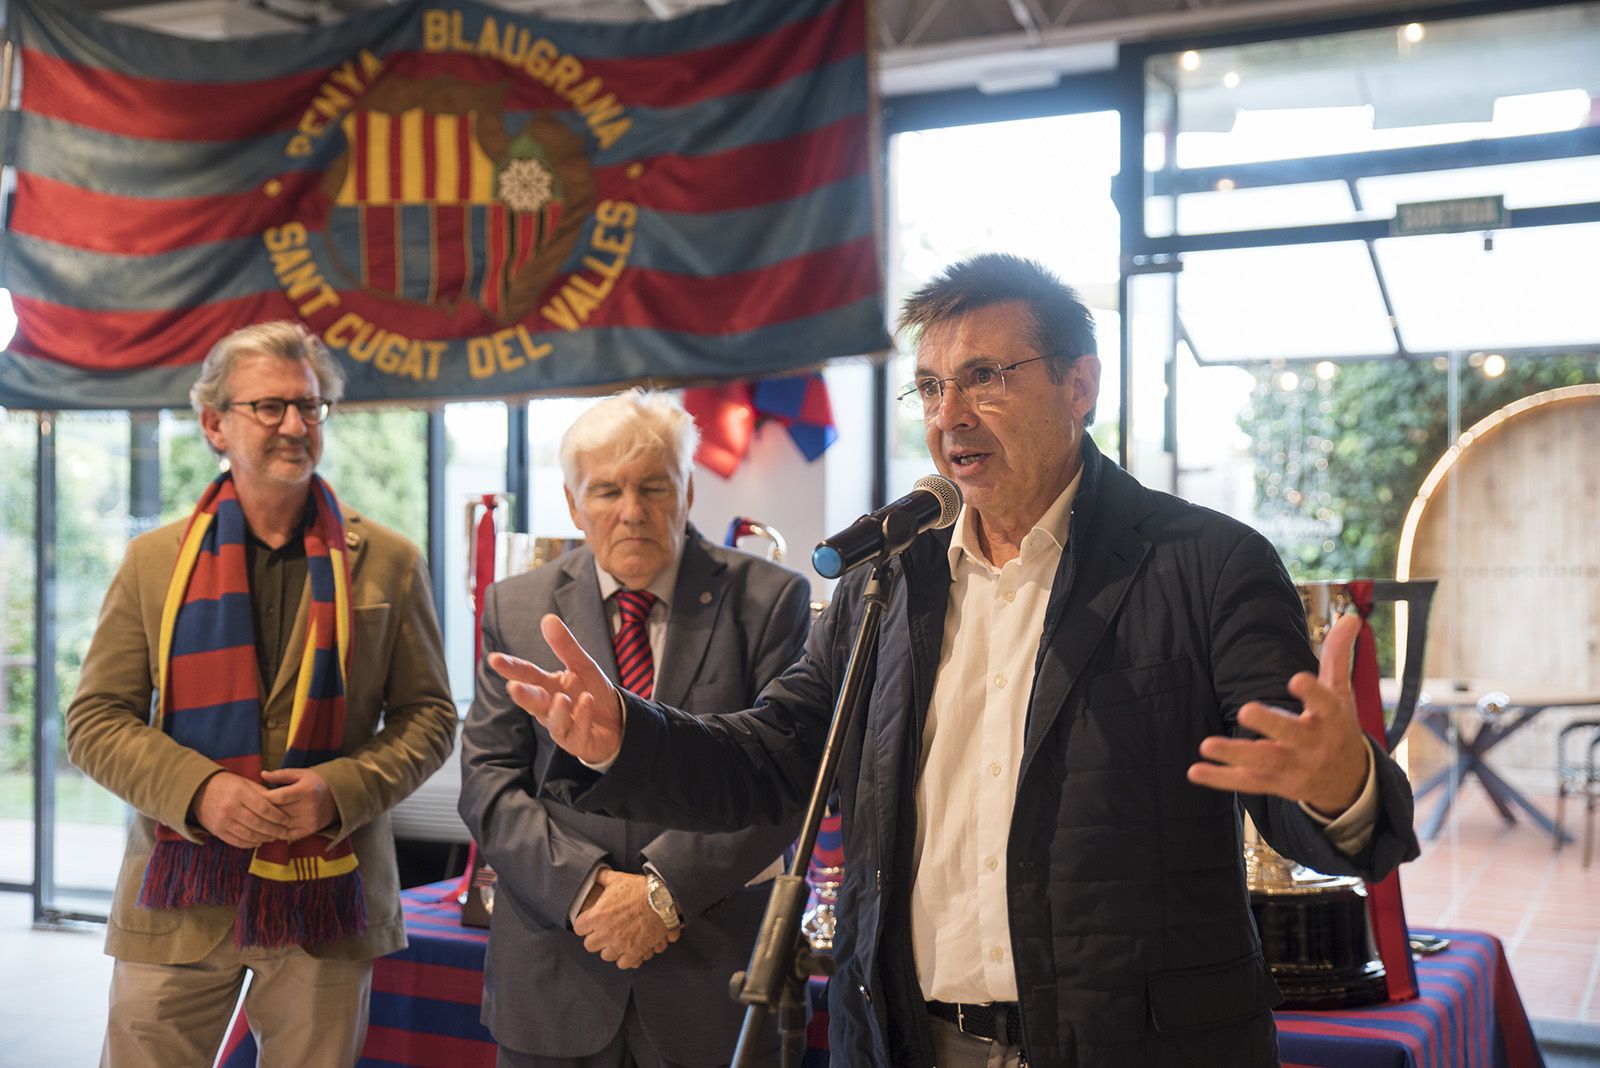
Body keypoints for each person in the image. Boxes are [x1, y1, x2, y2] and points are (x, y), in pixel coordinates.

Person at [492, 255, 1419, 1067]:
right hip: (907, 1039)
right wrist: (629, 737)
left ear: (1080, 385)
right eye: (931, 388)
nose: (950, 416)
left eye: (985, 377)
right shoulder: (888, 580)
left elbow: (1301, 802)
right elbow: (775, 757)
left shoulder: (1206, 565)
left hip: (1134, 1044)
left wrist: (1339, 785)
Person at [66, 321, 457, 1068]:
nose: (295, 426)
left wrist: (340, 791)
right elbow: (94, 721)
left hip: (327, 898)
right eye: (269, 407)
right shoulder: (154, 561)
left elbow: (431, 717)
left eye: (309, 406)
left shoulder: (390, 562)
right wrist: (200, 790)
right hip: (178, 896)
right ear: (215, 424)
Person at [458, 390, 813, 1068]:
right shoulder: (517, 607)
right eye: (606, 490)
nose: (632, 511)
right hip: (556, 973)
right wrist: (584, 889)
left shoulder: (770, 600)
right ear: (573, 504)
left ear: (688, 491)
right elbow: (488, 779)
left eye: (654, 486)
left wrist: (662, 892)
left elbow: (788, 773)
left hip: (711, 981)